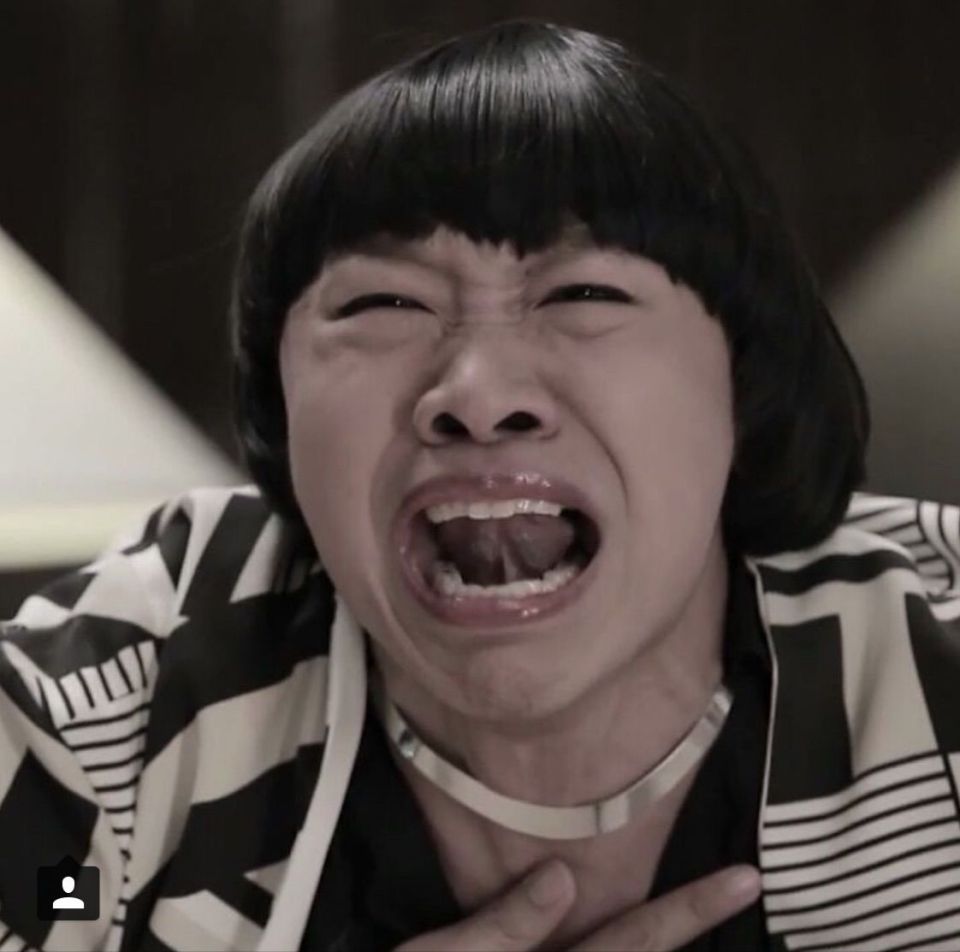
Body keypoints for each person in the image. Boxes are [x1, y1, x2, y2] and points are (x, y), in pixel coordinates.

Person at [2, 18, 959, 952]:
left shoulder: (936, 663)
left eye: (584, 293)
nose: (477, 396)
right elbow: (47, 902)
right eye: (383, 302)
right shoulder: (118, 708)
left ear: (745, 383)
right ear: (281, 407)